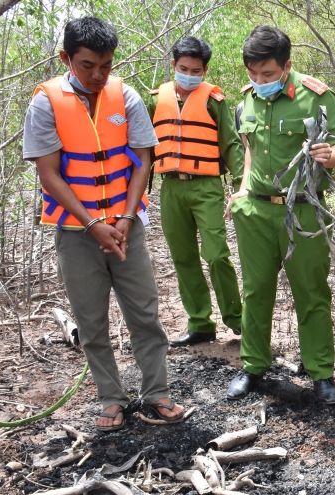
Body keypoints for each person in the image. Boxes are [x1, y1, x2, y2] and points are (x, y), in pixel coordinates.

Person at [23, 17, 187, 430]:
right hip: (78, 233)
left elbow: (142, 162)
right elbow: (49, 174)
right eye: (87, 66)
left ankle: (157, 393)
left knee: (145, 312)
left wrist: (127, 218)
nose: (98, 75)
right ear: (66, 58)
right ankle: (111, 397)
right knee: (91, 319)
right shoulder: (45, 103)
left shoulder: (126, 97)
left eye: (106, 66)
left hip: (127, 227)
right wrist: (94, 224)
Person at [225, 25, 335, 403]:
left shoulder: (316, 96)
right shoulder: (246, 100)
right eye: (252, 74)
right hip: (256, 213)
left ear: (286, 65)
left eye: (267, 74)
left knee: (311, 293)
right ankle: (253, 366)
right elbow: (249, 149)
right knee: (256, 291)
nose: (259, 81)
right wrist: (243, 190)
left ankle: (321, 373)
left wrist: (332, 155)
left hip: (304, 211)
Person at [148, 37, 243, 346]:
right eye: (183, 68)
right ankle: (200, 323)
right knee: (183, 257)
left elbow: (230, 144)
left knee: (216, 254)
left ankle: (237, 319)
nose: (189, 74)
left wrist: (243, 186)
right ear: (174, 65)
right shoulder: (155, 99)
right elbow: (142, 147)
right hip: (170, 187)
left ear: (205, 70)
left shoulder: (214, 99)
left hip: (206, 186)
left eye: (196, 70)